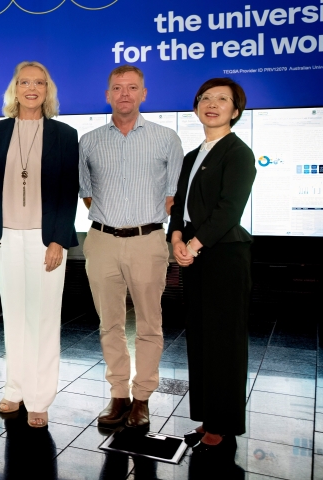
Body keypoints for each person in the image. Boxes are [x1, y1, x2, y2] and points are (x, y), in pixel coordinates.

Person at [78, 65, 183, 428]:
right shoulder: (89, 141)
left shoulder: (166, 138)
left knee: (149, 324)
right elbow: (87, 195)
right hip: (102, 241)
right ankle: (118, 396)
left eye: (132, 87)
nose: (125, 94)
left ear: (144, 94)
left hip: (148, 241)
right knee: (109, 324)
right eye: (117, 88)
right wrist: (114, 221)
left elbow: (173, 197)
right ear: (107, 95)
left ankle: (142, 399)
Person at [0, 61, 79, 428]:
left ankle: (40, 398)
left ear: (47, 89)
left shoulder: (64, 135)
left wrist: (58, 239)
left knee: (42, 318)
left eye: (39, 82)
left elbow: (67, 192)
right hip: (5, 237)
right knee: (14, 317)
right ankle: (15, 389)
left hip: (46, 241)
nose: (32, 88)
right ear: (15, 88)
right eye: (24, 81)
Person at [168, 78, 255, 457]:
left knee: (224, 342)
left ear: (235, 110)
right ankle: (207, 414)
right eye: (206, 98)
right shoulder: (192, 156)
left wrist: (194, 244)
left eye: (223, 99)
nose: (213, 104)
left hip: (223, 255)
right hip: (193, 253)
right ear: (196, 106)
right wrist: (175, 240)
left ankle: (224, 422)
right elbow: (178, 208)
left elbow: (228, 210)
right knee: (201, 338)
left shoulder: (238, 153)